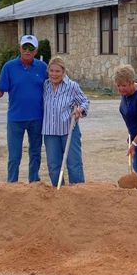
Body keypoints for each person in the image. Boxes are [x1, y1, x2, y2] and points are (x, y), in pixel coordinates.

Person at [0, 35, 48, 183]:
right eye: (25, 47)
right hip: (15, 119)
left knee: (35, 153)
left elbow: (52, 87)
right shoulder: (9, 67)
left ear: (36, 51)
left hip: (37, 118)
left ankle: (34, 182)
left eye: (31, 48)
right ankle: (12, 184)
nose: (27, 51)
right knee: (14, 156)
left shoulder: (42, 67)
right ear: (20, 48)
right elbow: (0, 93)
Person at [42, 56, 90, 186]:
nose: (54, 74)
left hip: (69, 130)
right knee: (53, 166)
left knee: (74, 164)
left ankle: (78, 192)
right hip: (50, 132)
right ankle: (60, 193)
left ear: (63, 72)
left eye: (57, 71)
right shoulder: (45, 86)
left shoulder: (72, 86)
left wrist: (80, 110)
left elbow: (85, 101)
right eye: (51, 71)